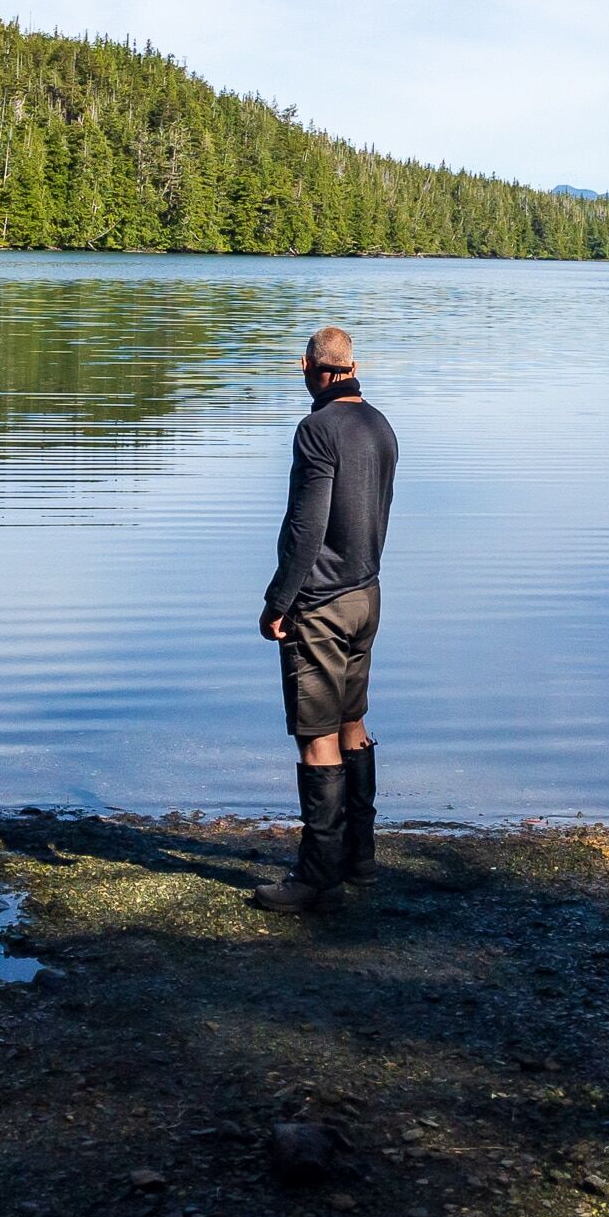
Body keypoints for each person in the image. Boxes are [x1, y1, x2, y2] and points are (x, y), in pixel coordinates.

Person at [253, 325, 398, 913]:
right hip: (367, 595)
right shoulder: (381, 426)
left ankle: (317, 878)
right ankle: (359, 861)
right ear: (353, 365)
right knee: (353, 724)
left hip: (320, 604)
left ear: (308, 367)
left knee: (317, 739)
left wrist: (278, 600)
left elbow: (306, 526)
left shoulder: (316, 430)